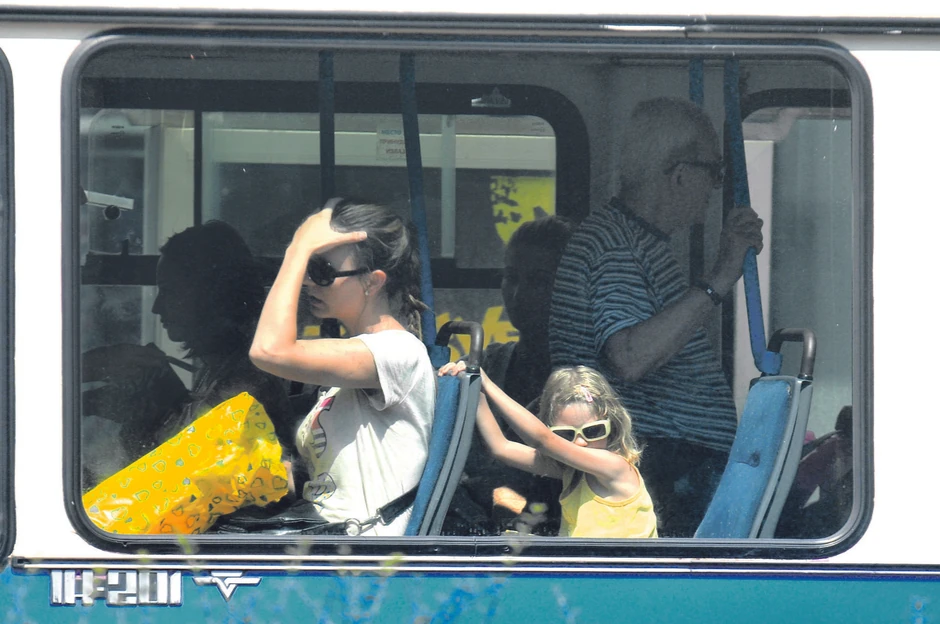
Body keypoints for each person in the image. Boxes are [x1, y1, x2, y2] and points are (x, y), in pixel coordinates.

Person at [549, 97, 764, 537]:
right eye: (714, 172)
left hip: (671, 461)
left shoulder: (636, 240)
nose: (716, 187)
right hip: (661, 467)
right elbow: (630, 356)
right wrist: (721, 276)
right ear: (681, 174)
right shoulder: (616, 246)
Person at [248, 198, 435, 536]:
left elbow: (269, 350)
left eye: (321, 271)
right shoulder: (355, 360)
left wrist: (298, 250)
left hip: (361, 550)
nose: (307, 281)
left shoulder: (397, 351)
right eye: (307, 269)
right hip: (324, 535)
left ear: (372, 282)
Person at [81, 221, 293, 484]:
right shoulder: (219, 369)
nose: (157, 307)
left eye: (169, 292)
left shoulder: (246, 381)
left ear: (212, 294)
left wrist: (158, 408)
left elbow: (181, 477)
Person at [447, 216, 574, 535]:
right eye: (511, 278)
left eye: (538, 281)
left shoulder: (583, 382)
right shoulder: (487, 362)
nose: (518, 295)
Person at [440, 362, 656, 538]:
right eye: (566, 435)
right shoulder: (573, 473)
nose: (580, 442)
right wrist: (474, 386)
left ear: (613, 427)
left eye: (593, 431)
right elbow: (501, 447)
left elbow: (542, 441)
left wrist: (488, 384)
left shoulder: (616, 467)